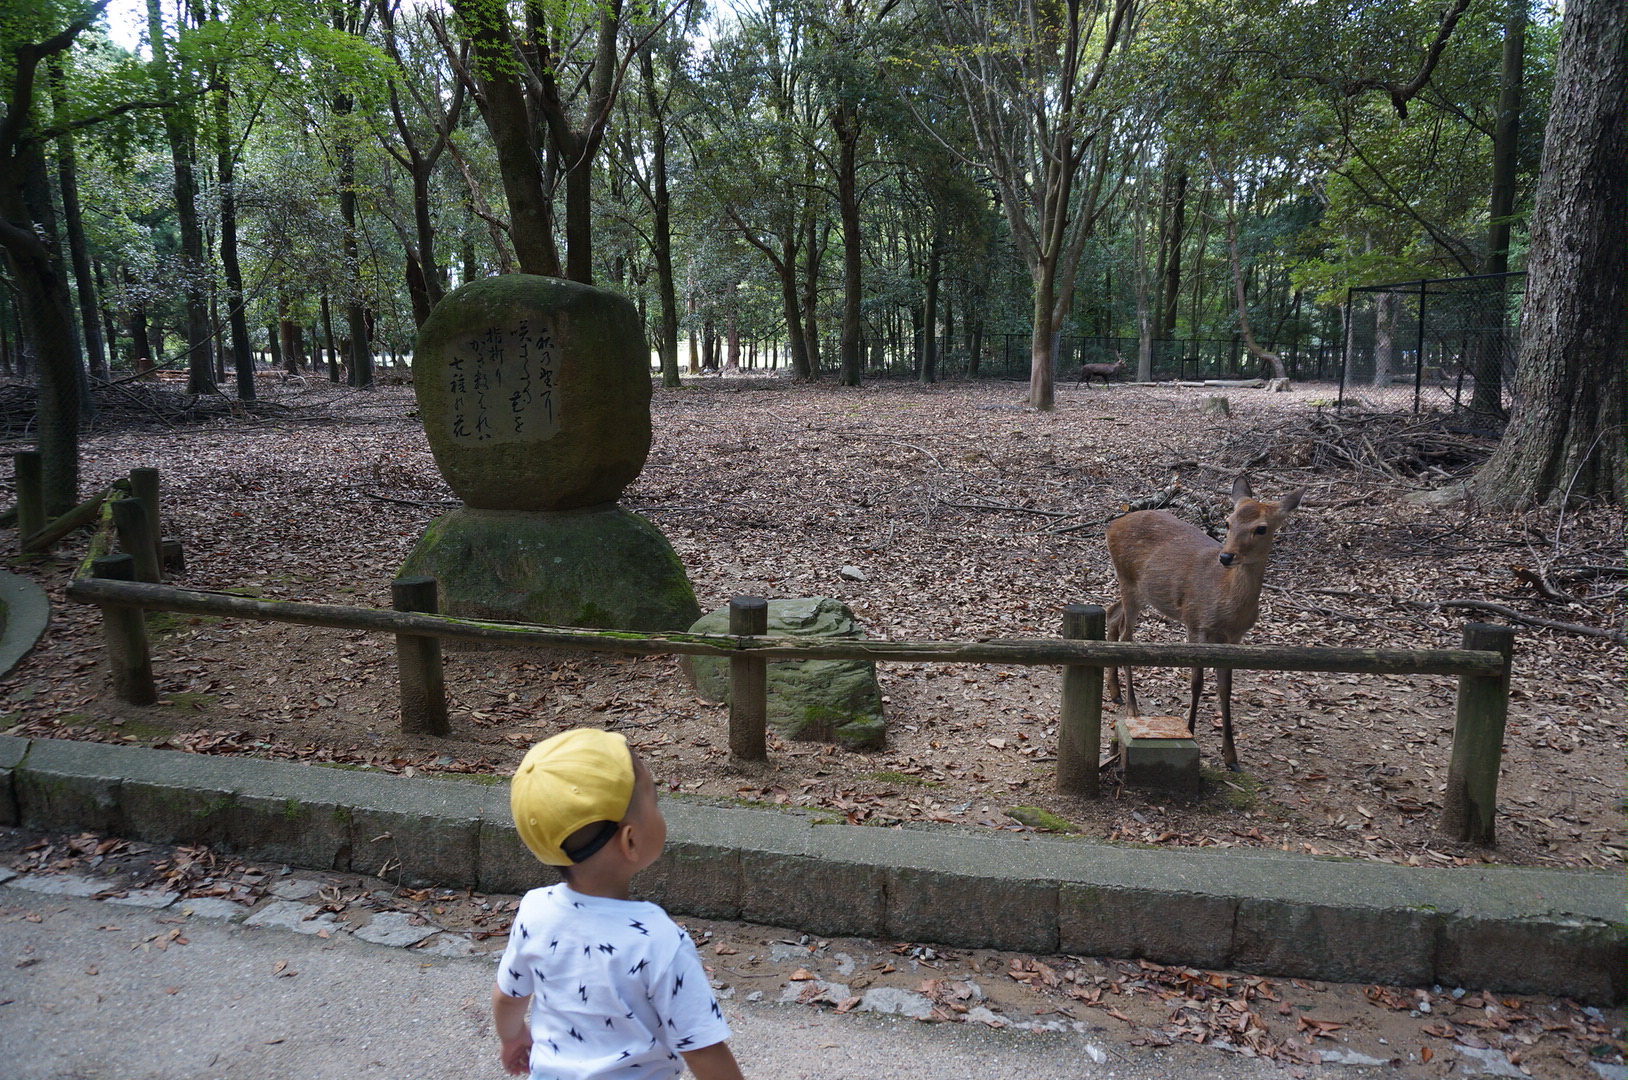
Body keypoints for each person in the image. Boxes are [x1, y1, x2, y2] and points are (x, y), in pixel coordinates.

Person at [494, 728, 744, 1080]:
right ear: (630, 840)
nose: (660, 813)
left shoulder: (535, 911)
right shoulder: (659, 940)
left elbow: (509, 996)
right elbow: (703, 1049)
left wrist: (513, 1037)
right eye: (655, 804)